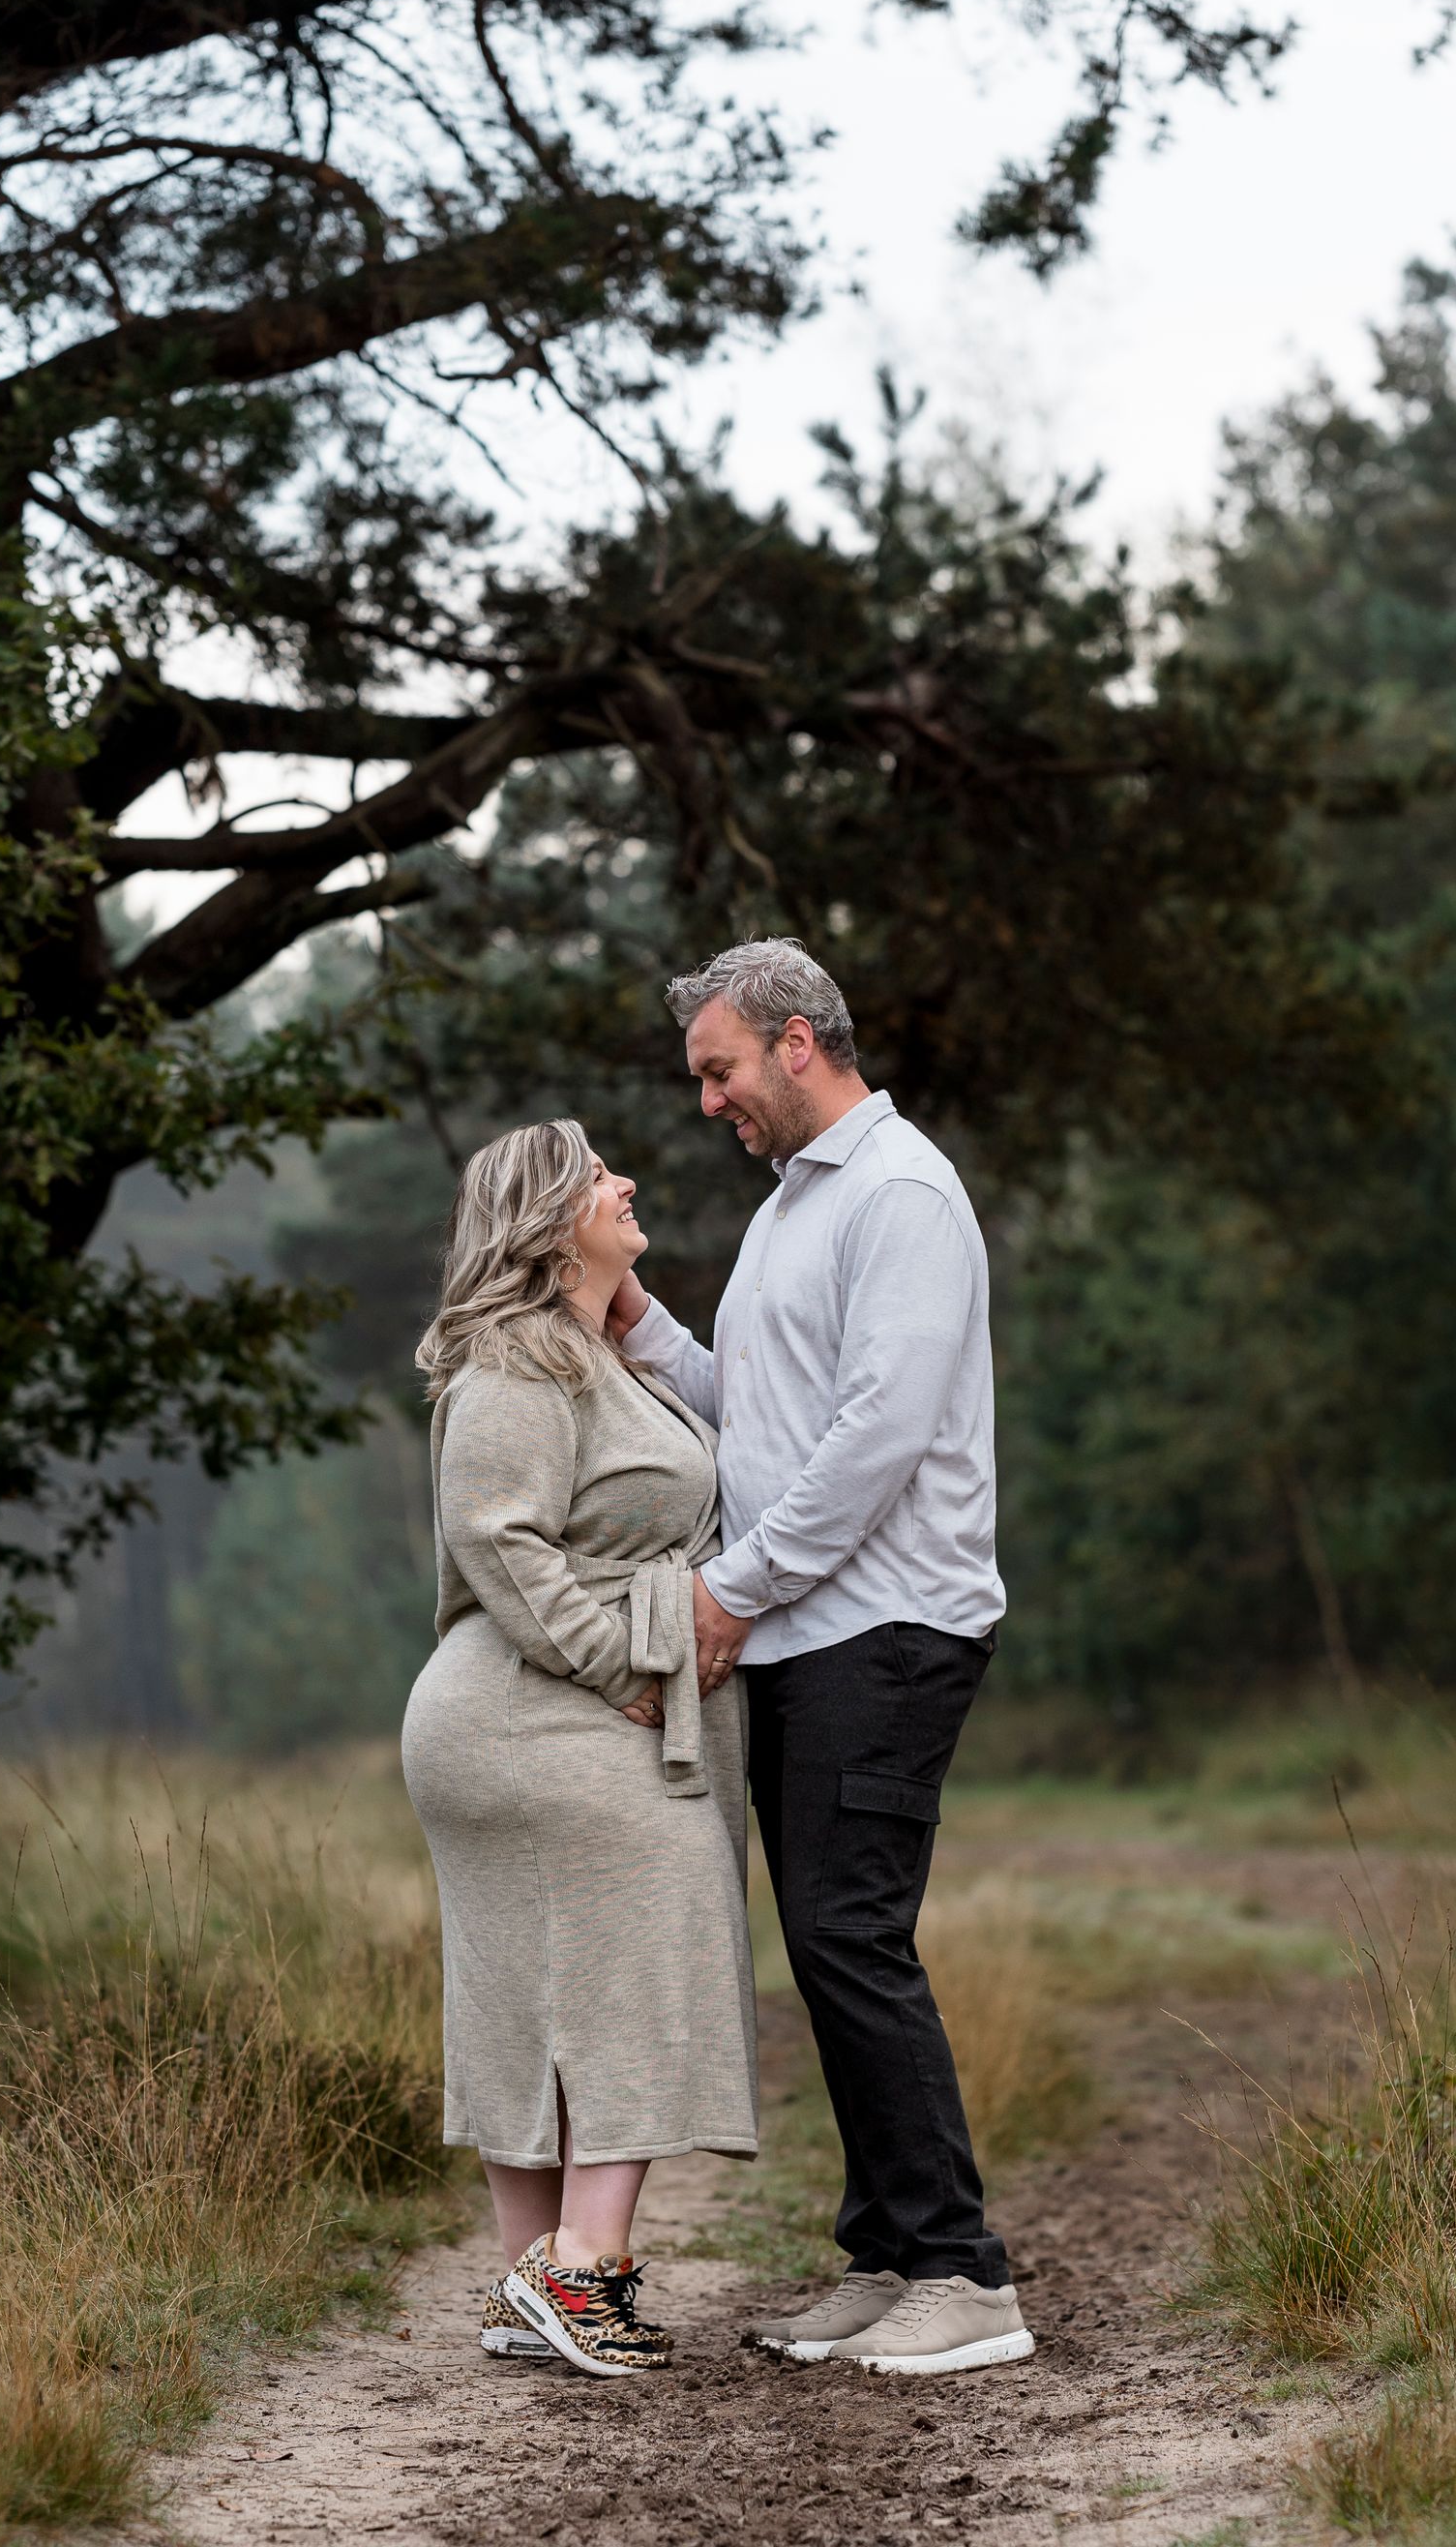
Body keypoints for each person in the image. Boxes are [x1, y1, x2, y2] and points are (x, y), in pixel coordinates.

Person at [607, 939, 1034, 2379]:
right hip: (807, 1625)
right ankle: (892, 2255)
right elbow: (756, 1409)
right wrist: (639, 1326)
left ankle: (964, 2277)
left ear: (798, 1043)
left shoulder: (901, 1192)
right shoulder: (793, 1204)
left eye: (720, 1070)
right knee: (825, 1940)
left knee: (852, 1933)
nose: (709, 1102)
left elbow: (879, 1434)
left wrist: (731, 1588)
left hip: (891, 1624)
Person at [401, 1118, 758, 2379]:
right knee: (660, 1926)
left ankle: (528, 2283)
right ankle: (581, 2267)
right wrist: (626, 1667)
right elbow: (500, 1539)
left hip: (558, 1706)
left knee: (539, 1986)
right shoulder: (518, 1357)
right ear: (554, 1221)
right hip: (527, 1711)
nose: (628, 1182)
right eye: (602, 1176)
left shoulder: (595, 1352)